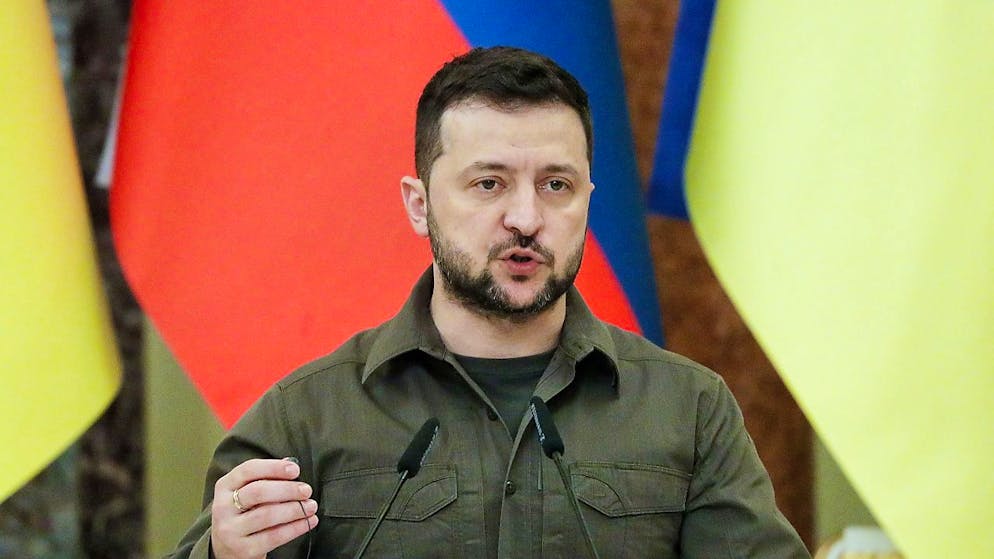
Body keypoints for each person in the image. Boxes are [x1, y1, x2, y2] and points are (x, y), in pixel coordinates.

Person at [168, 46, 809, 559]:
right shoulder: (306, 419)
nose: (525, 218)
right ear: (419, 204)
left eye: (555, 185)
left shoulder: (687, 410)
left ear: (588, 200)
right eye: (489, 184)